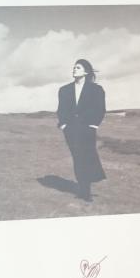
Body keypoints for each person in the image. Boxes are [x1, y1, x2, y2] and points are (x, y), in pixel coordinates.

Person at [57, 59, 106, 201]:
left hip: (87, 129)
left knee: (87, 157)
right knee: (77, 158)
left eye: (78, 67)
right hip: (70, 130)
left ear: (86, 72)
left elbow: (100, 108)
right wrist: (64, 125)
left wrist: (94, 125)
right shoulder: (64, 90)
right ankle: (84, 189)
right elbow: (61, 110)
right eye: (74, 67)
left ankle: (86, 191)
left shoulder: (96, 90)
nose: (74, 69)